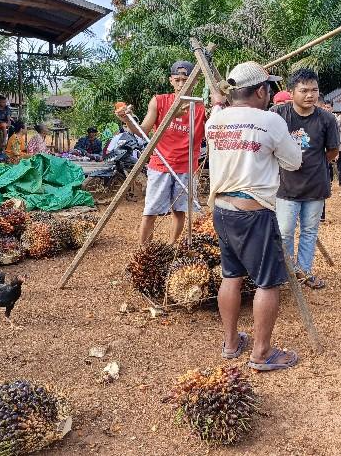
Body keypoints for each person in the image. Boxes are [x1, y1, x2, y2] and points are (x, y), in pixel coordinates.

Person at [205, 61, 302, 371]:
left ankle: (231, 343)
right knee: (267, 283)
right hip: (254, 213)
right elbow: (293, 161)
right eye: (268, 88)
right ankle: (261, 353)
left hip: (222, 211)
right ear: (261, 90)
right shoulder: (269, 121)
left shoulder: (215, 120)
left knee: (230, 276)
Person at [115, 60, 206, 244]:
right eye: (177, 79)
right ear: (171, 80)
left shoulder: (201, 108)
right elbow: (143, 130)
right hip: (161, 165)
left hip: (187, 167)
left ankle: (172, 247)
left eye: (186, 80)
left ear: (194, 82)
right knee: (150, 211)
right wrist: (127, 119)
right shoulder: (159, 101)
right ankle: (144, 253)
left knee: (180, 212)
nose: (181, 84)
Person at [270, 69, 340, 289]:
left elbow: (333, 151)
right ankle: (288, 273)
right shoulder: (279, 114)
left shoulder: (327, 119)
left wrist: (312, 163)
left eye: (314, 90)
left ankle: (304, 272)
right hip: (285, 186)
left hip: (315, 185)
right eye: (304, 90)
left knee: (310, 231)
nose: (310, 95)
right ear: (291, 92)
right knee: (286, 231)